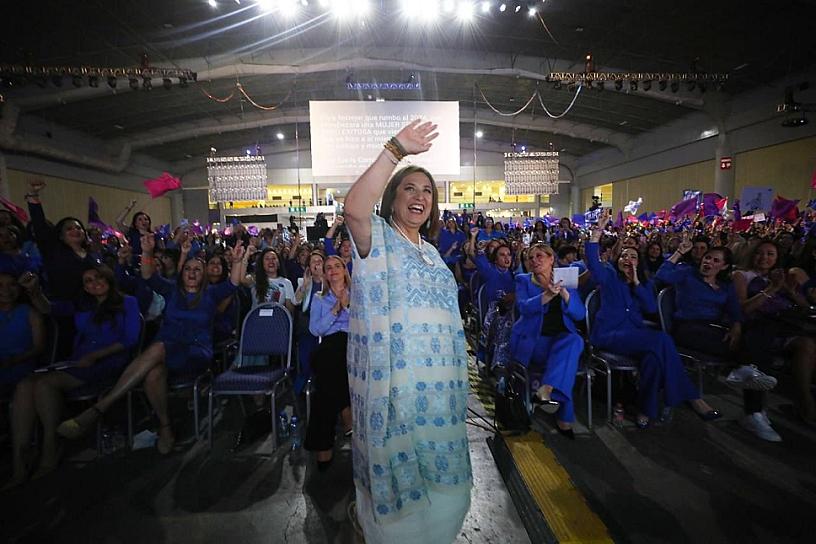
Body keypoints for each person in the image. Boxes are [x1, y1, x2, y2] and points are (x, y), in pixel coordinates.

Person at [343, 120, 471, 543]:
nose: (419, 197)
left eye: (427, 192)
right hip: (393, 396)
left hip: (438, 400)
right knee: (395, 509)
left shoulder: (433, 255)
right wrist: (395, 150)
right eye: (409, 189)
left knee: (445, 498)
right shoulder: (376, 238)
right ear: (392, 199)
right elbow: (355, 208)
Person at [54, 234, 248, 454]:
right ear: (181, 273)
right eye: (188, 269)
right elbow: (148, 277)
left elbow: (233, 283)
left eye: (197, 269)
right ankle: (165, 428)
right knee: (153, 373)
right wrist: (146, 252)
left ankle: (100, 407)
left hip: (194, 352)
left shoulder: (211, 294)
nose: (192, 272)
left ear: (203, 275)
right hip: (166, 350)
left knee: (158, 347)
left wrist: (239, 260)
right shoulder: (172, 291)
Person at [586, 210, 720, 428]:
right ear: (618, 260)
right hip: (609, 335)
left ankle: (645, 409)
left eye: (633, 256)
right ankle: (692, 397)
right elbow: (593, 261)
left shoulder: (644, 284)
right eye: (624, 256)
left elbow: (650, 307)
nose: (628, 259)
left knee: (654, 360)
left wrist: (638, 283)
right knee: (662, 340)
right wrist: (597, 233)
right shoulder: (609, 277)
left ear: (639, 263)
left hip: (634, 336)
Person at [10, 265, 139, 486]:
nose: (93, 283)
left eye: (98, 278)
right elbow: (48, 308)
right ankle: (19, 457)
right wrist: (34, 291)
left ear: (108, 279)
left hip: (107, 361)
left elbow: (130, 338)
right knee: (25, 385)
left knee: (44, 385)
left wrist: (97, 355)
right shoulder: (83, 305)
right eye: (88, 281)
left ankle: (51, 446)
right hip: (79, 360)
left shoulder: (127, 302)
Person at [656, 243, 782, 441]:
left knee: (757, 337)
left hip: (715, 328)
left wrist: (737, 326)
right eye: (707, 258)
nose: (709, 262)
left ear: (724, 266)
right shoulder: (687, 274)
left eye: (716, 260)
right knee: (751, 354)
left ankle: (751, 401)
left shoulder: (725, 287)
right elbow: (662, 275)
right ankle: (751, 403)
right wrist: (680, 251)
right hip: (688, 328)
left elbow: (735, 311)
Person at [733, 240, 816, 426]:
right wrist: (772, 289)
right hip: (758, 328)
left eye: (770, 254)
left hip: (787, 326)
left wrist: (789, 290)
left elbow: (804, 306)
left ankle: (803, 403)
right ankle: (805, 403)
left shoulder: (781, 277)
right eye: (760, 253)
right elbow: (743, 309)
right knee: (806, 345)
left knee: (809, 344)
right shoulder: (741, 275)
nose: (764, 258)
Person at [510, 243, 585, 438]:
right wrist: (548, 294)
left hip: (560, 340)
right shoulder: (523, 280)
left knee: (574, 341)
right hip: (535, 342)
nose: (534, 260)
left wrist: (564, 293)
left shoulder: (565, 280)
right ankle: (564, 417)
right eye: (530, 257)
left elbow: (579, 314)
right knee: (566, 360)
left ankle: (547, 388)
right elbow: (523, 308)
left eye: (539, 256)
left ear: (552, 259)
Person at [24, 180, 100, 358]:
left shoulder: (91, 256)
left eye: (78, 227)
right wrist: (34, 197)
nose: (75, 230)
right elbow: (40, 227)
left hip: (90, 309)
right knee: (66, 352)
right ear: (60, 235)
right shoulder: (54, 252)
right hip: (64, 310)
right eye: (69, 228)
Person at [303, 255, 353, 471]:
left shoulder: (357, 294)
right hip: (329, 345)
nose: (332, 270)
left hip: (353, 342)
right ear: (324, 273)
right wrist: (335, 310)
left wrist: (347, 307)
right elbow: (315, 330)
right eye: (328, 267)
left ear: (344, 270)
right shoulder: (319, 298)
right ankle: (346, 411)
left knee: (323, 389)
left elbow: (364, 324)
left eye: (337, 266)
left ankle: (323, 448)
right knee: (328, 357)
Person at [293, 251, 324, 393]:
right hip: (308, 325)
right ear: (309, 267)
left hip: (325, 325)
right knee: (306, 358)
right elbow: (296, 301)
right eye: (313, 262)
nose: (317, 263)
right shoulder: (303, 281)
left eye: (320, 261)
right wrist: (305, 285)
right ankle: (304, 385)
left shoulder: (330, 281)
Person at [244, 248, 296, 314]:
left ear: (279, 263)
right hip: (256, 320)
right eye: (267, 259)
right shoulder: (255, 279)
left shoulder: (286, 283)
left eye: (274, 258)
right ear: (262, 264)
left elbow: (290, 311)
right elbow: (242, 279)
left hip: (277, 321)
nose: (271, 261)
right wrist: (246, 255)